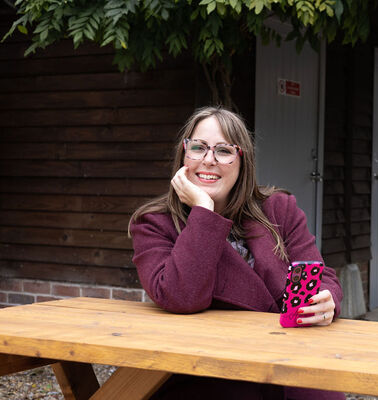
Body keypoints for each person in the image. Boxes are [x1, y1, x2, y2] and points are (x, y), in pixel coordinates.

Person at [128, 106, 344, 400]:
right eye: (198, 148)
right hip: (208, 375)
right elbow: (180, 297)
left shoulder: (279, 208)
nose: (209, 160)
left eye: (224, 151)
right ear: (183, 154)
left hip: (291, 364)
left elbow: (320, 275)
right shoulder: (154, 223)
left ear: (243, 160)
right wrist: (203, 210)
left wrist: (327, 300)